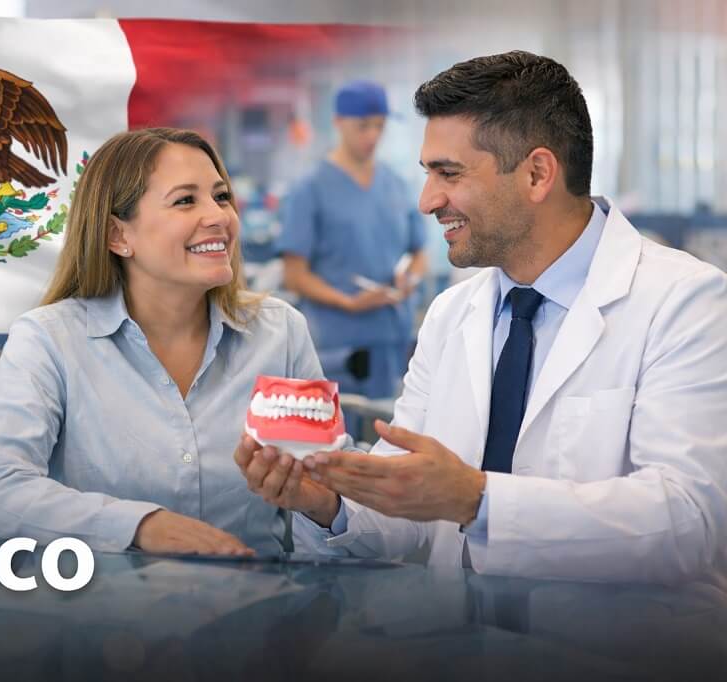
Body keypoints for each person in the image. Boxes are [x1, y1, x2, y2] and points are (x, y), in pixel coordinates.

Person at [236, 51, 727, 589]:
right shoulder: (453, 315)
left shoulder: (684, 303)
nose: (427, 201)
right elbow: (406, 520)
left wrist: (477, 499)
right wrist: (328, 503)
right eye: (427, 174)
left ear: (537, 174)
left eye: (448, 174)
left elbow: (693, 523)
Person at [0, 127, 335, 556]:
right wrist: (139, 526)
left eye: (221, 196)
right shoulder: (49, 340)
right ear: (118, 236)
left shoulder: (279, 332)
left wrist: (320, 501)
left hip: (256, 604)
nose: (218, 216)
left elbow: (323, 484)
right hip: (106, 608)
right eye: (185, 200)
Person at [277, 80, 427, 403]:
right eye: (363, 126)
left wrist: (409, 279)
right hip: (337, 344)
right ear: (338, 123)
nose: (372, 135)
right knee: (336, 438)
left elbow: (419, 252)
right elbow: (294, 274)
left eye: (380, 126)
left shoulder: (396, 184)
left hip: (391, 337)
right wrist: (348, 303)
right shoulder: (311, 189)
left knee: (389, 429)